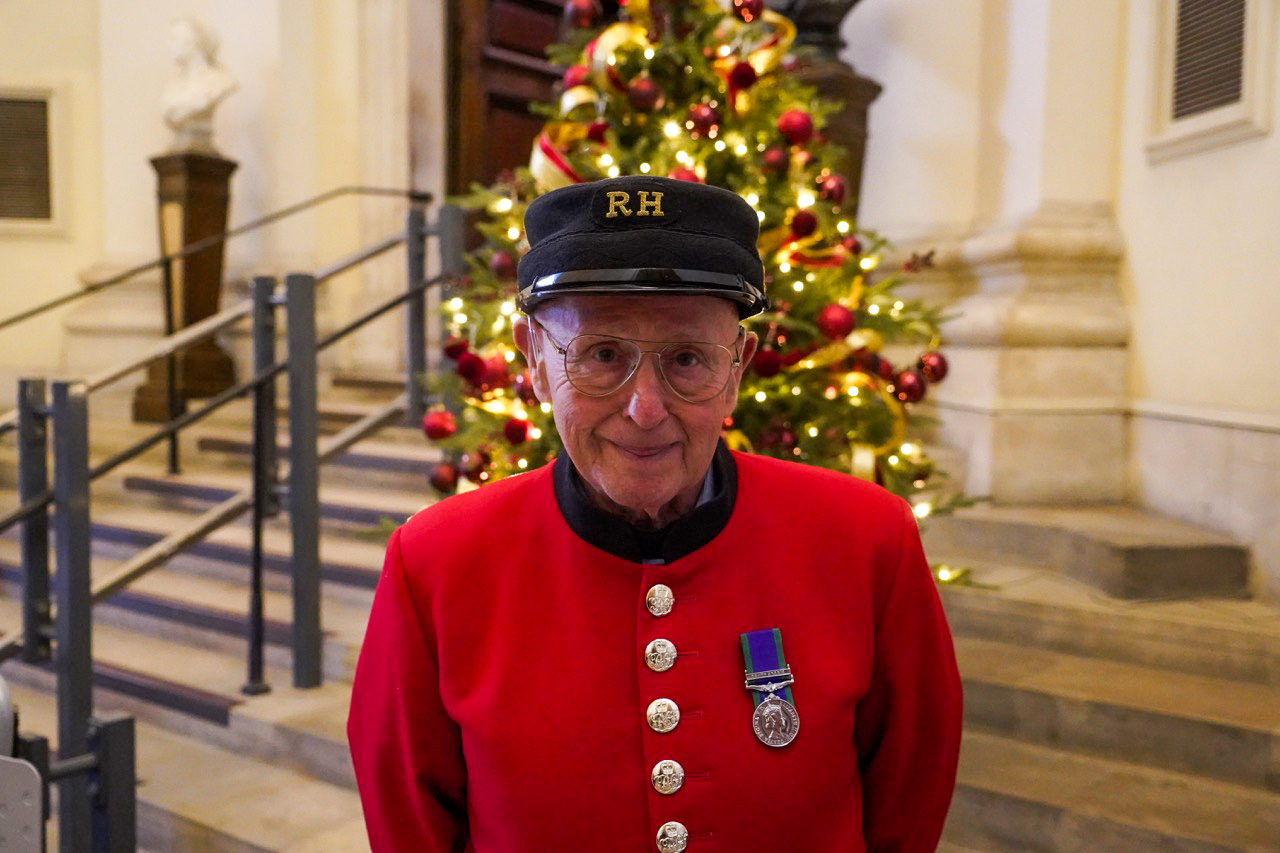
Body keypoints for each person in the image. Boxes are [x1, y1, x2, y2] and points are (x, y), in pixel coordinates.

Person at [347, 175, 963, 852]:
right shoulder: (435, 564)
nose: (645, 407)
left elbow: (909, 801)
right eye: (602, 355)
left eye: (688, 359)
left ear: (739, 367)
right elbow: (410, 824)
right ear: (535, 360)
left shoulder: (867, 541)